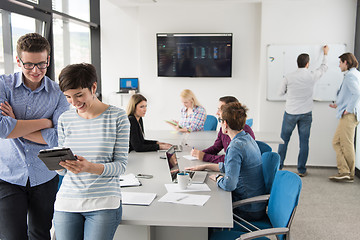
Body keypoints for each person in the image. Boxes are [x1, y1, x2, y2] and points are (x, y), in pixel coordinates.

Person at [0, 33, 69, 240]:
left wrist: (16, 126)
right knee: (12, 237)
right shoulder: (3, 85)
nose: (36, 71)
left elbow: (60, 138)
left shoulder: (58, 93)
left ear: (48, 59)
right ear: (18, 61)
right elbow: (2, 129)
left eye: (41, 64)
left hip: (45, 175)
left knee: (40, 235)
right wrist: (45, 122)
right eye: (29, 65)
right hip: (8, 175)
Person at [53, 63, 130, 240]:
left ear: (93, 87)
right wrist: (59, 164)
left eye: (79, 95)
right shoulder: (65, 119)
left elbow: (121, 166)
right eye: (68, 97)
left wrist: (89, 167)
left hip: (103, 202)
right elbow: (64, 172)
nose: (74, 103)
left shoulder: (117, 117)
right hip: (67, 202)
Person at [186, 102, 266, 221]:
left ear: (225, 124)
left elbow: (229, 184)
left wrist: (218, 178)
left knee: (208, 204)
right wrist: (206, 166)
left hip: (247, 208)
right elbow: (232, 167)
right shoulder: (246, 137)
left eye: (220, 120)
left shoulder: (235, 147)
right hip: (257, 204)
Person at [278, 45, 329, 177]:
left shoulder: (288, 77)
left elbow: (280, 93)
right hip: (306, 113)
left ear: (297, 63)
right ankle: (301, 170)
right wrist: (325, 54)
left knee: (283, 140)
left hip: (290, 112)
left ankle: (278, 167)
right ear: (307, 64)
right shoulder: (311, 76)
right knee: (304, 142)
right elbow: (324, 68)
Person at [191, 96, 255, 163]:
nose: (217, 113)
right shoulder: (224, 128)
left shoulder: (244, 134)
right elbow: (216, 147)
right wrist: (200, 153)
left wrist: (205, 157)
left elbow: (230, 159)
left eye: (220, 109)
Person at [329, 53, 360, 183]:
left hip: (349, 116)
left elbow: (357, 93)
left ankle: (348, 173)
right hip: (348, 114)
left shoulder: (350, 76)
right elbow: (348, 94)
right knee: (336, 142)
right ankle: (345, 171)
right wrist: (338, 104)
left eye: (340, 62)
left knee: (346, 144)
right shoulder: (353, 74)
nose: (339, 65)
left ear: (346, 62)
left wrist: (348, 109)